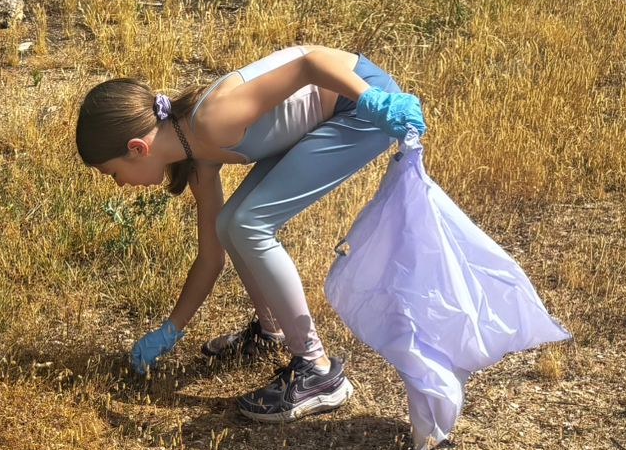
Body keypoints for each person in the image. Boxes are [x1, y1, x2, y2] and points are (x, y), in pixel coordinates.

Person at [74, 45, 427, 423]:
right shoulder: (198, 159)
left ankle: (318, 370)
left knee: (248, 224)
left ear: (137, 148)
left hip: (359, 104)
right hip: (339, 108)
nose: (120, 185)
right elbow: (211, 258)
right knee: (230, 224)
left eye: (113, 173)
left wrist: (373, 100)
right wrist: (170, 330)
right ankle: (271, 331)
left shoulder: (211, 120)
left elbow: (310, 64)